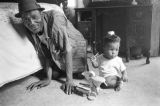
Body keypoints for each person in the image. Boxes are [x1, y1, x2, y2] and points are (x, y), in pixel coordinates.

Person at [15, 0, 85, 95]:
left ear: (41, 13)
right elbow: (47, 51)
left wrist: (69, 80)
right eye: (26, 19)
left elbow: (67, 49)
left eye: (34, 17)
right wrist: (48, 79)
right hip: (59, 50)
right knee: (54, 75)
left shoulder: (55, 18)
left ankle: (76, 70)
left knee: (79, 73)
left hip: (75, 45)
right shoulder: (30, 28)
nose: (31, 23)